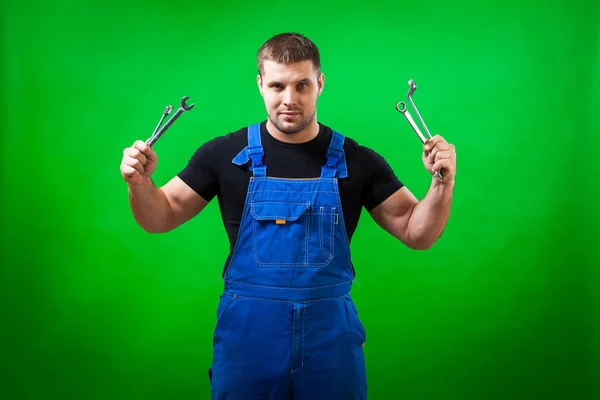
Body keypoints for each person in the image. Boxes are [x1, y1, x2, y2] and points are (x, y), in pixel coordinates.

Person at [120, 32, 456, 400]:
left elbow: (417, 233)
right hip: (248, 342)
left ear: (320, 83)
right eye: (277, 86)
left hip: (330, 345)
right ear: (260, 84)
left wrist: (442, 184)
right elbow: (160, 217)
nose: (289, 99)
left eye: (302, 85)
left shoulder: (358, 161)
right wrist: (140, 182)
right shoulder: (223, 154)